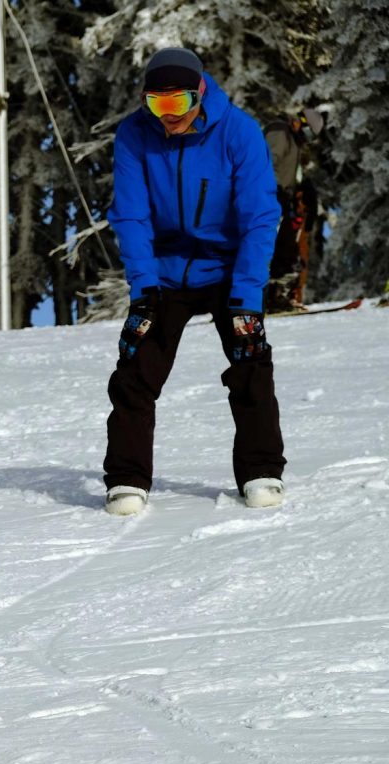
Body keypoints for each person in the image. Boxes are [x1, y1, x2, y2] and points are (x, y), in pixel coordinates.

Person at [103, 47, 286, 516]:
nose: (168, 116)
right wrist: (143, 289)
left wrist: (246, 293)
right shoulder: (133, 135)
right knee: (134, 373)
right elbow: (130, 215)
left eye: (177, 104)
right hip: (166, 274)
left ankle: (260, 471)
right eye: (156, 105)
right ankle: (126, 479)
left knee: (250, 364)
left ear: (199, 94)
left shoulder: (239, 132)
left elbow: (260, 216)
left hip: (227, 270)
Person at [264, 108, 324, 311]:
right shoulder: (280, 132)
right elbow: (267, 162)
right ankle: (259, 295)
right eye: (307, 133)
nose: (305, 140)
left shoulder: (293, 140)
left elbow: (288, 174)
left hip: (278, 196)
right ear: (300, 122)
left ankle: (275, 293)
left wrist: (300, 189)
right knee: (270, 244)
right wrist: (273, 191)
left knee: (286, 245)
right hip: (265, 196)